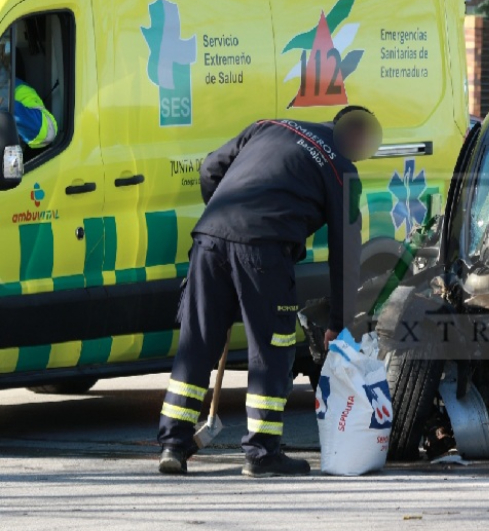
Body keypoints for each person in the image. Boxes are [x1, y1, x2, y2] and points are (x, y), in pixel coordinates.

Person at [157, 106, 382, 476]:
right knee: (272, 347)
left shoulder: (268, 126)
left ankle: (173, 446)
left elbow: (210, 169)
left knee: (197, 340)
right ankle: (262, 453)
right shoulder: (343, 170)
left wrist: (227, 222)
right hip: (264, 249)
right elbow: (346, 254)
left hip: (210, 237)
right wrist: (339, 322)